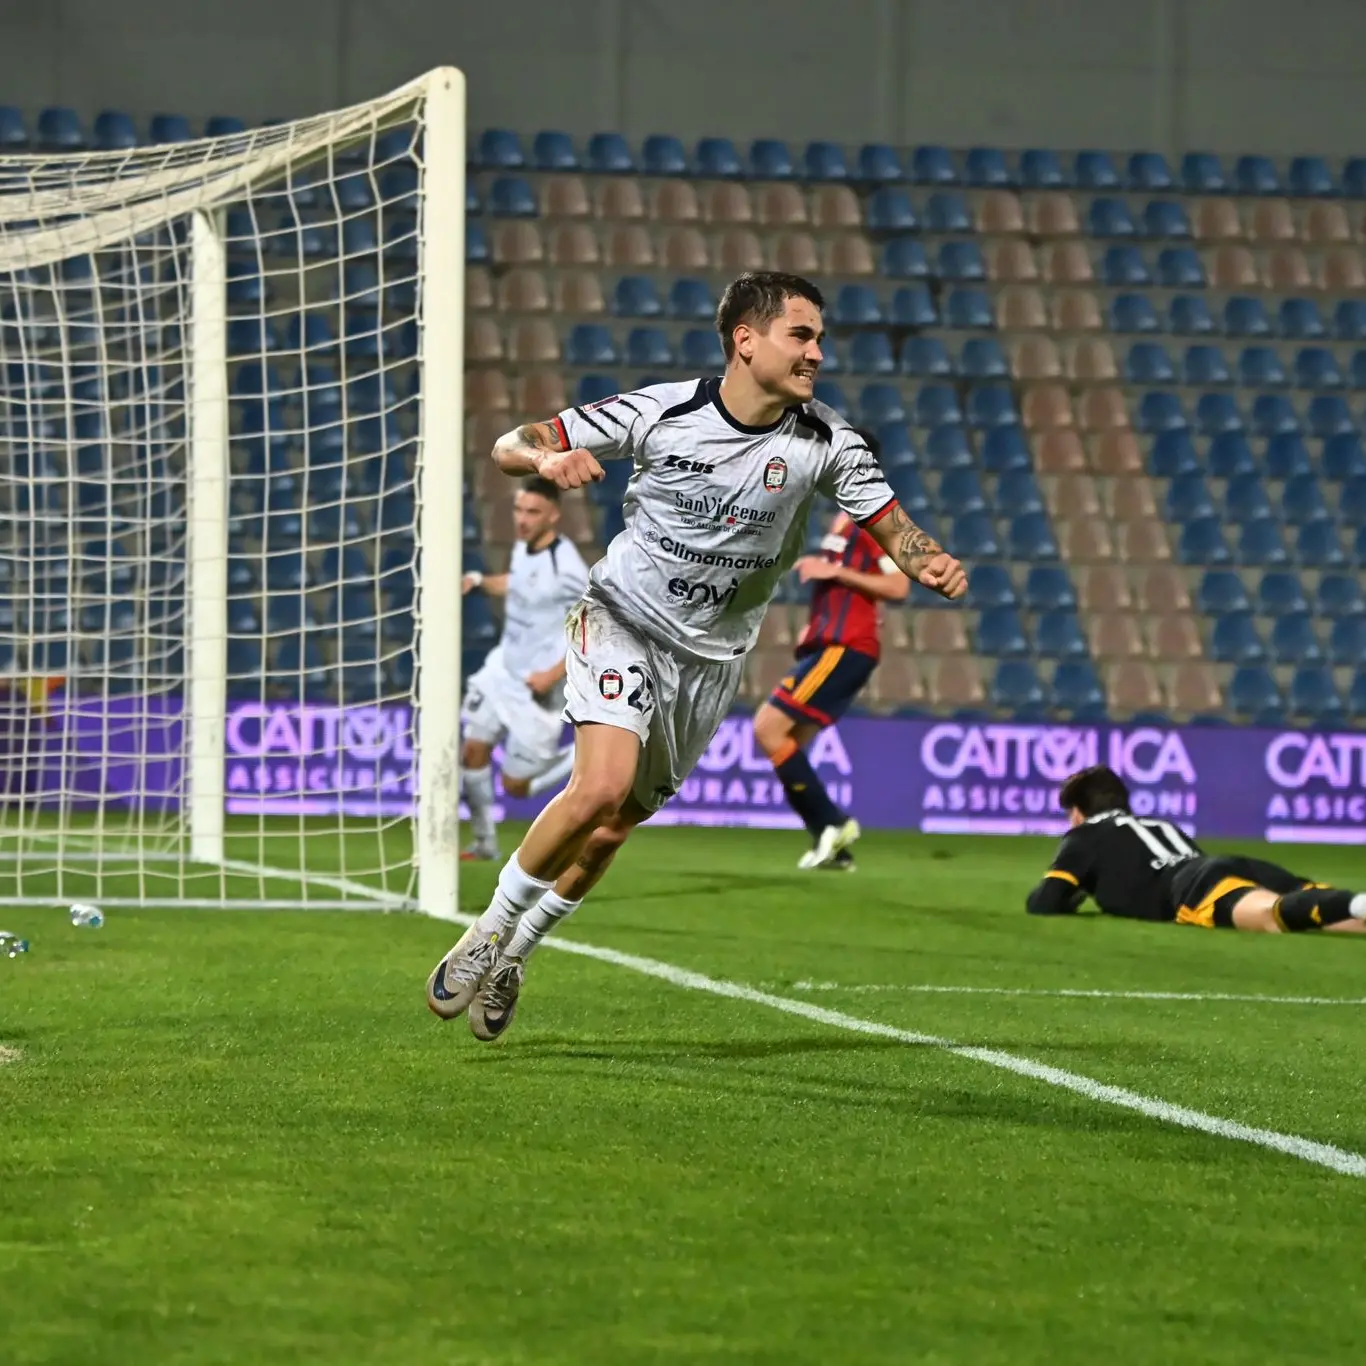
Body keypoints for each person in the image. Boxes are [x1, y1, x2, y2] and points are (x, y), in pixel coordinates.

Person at [429, 270, 968, 1042]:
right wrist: (547, 463)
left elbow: (894, 528)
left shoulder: (827, 443)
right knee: (599, 788)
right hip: (620, 618)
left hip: (709, 659)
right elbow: (511, 443)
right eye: (802, 334)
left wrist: (930, 561)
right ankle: (487, 930)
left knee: (618, 826)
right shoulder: (662, 411)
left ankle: (519, 952)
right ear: (746, 340)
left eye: (820, 338)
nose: (817, 352)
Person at [752, 427, 909, 872]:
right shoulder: (848, 517)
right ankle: (830, 840)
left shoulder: (871, 518)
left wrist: (834, 573)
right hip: (832, 646)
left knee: (767, 728)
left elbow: (898, 584)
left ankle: (831, 823)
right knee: (787, 744)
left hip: (846, 645)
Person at [1027, 764, 1366, 933]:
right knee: (1328, 912)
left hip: (1191, 885)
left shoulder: (1083, 836)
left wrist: (1077, 892)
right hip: (1228, 864)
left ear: (1077, 812)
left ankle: (1356, 902)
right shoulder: (1159, 824)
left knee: (1271, 915)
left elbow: (1044, 902)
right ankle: (1354, 903)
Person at [458, 476, 589, 860]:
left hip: (538, 689)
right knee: (473, 751)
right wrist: (480, 581)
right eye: (519, 510)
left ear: (553, 515)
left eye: (532, 512)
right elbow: (518, 584)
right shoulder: (524, 548)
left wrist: (552, 674)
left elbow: (594, 629)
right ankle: (484, 842)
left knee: (515, 787)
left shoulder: (568, 568)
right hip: (503, 670)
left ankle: (577, 758)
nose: (522, 519)